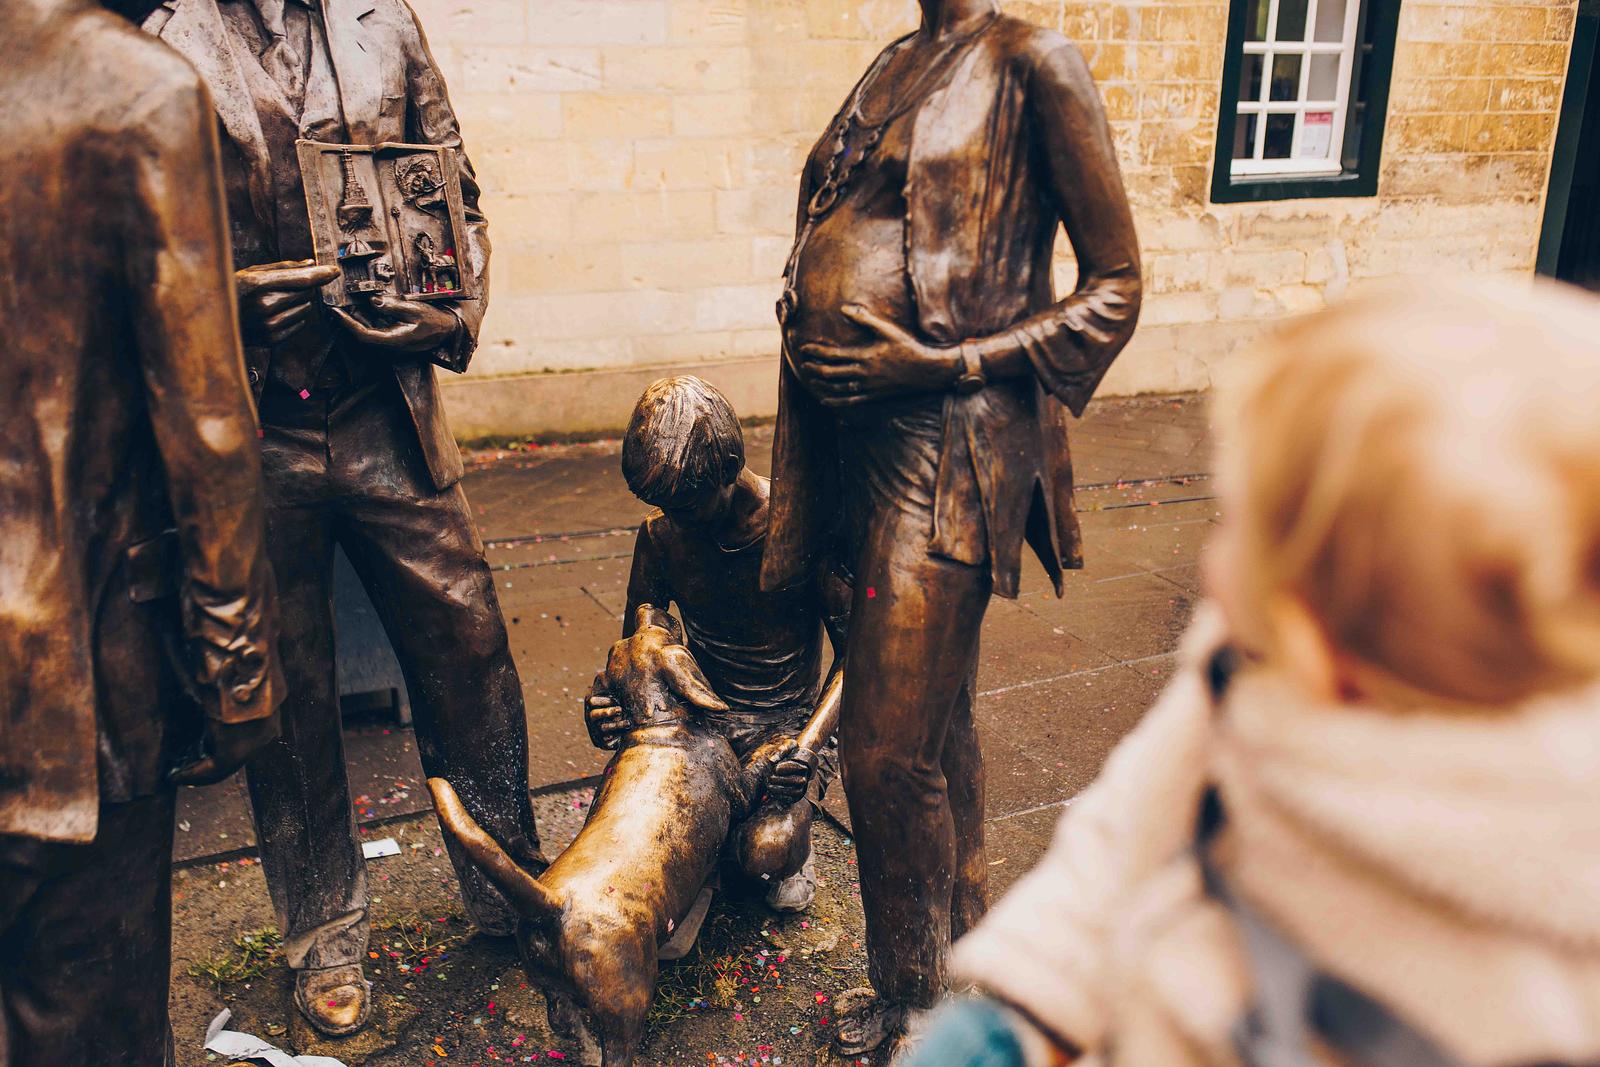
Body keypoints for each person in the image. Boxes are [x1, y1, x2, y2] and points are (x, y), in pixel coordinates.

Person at [904, 278, 1600, 1067]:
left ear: (1311, 651)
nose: (1210, 553)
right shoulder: (1240, 670)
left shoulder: (1548, 954)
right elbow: (1123, 834)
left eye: (1235, 525)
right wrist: (1030, 1011)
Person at [143, 0, 544, 1035]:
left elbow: (457, 192)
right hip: (256, 428)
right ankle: (322, 929)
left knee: (469, 644)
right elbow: (135, 256)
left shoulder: (384, 21)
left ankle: (510, 882)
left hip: (383, 413)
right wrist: (225, 305)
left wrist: (449, 311)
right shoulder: (163, 43)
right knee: (289, 692)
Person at [759, 0, 1141, 1052]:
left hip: (949, 445)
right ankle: (971, 943)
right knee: (936, 720)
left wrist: (946, 363)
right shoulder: (894, 60)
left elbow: (1116, 289)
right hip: (846, 442)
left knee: (885, 752)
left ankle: (915, 1002)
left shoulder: (1033, 63)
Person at [0, 0, 283, 1060]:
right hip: (65, 685)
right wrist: (239, 677)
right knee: (89, 1022)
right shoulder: (134, 90)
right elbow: (208, 426)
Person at [585, 376, 851, 913]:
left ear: (728, 470)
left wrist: (809, 747)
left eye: (686, 506)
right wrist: (610, 705)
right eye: (664, 507)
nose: (675, 519)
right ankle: (709, 846)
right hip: (700, 723)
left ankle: (763, 840)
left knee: (765, 852)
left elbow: (858, 654)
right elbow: (638, 647)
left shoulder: (801, 527)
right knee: (625, 830)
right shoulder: (661, 535)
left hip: (787, 727)